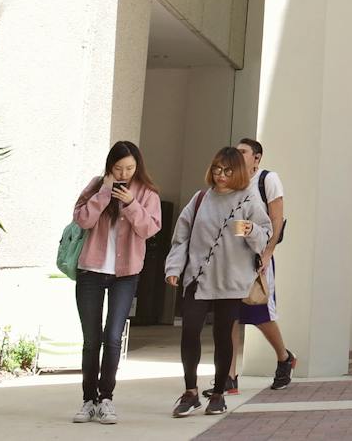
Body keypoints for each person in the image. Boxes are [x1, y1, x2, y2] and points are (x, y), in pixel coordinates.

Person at [164, 146, 269, 418]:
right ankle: (190, 392)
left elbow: (265, 235)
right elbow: (181, 236)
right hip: (197, 279)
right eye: (217, 169)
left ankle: (219, 393)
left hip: (230, 281)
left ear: (239, 172)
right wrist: (174, 267)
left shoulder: (248, 200)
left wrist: (251, 230)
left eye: (228, 171)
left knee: (223, 336)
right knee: (189, 332)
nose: (221, 175)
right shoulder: (201, 199)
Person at [69, 140, 162, 425]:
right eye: (119, 168)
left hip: (126, 274)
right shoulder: (96, 185)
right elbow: (82, 220)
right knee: (91, 340)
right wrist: (103, 194)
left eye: (130, 168)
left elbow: (150, 229)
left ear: (138, 166)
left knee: (112, 337)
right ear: (110, 166)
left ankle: (106, 398)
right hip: (90, 271)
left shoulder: (147, 193)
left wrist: (131, 204)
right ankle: (88, 401)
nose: (124, 173)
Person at [227, 138, 296, 392]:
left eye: (243, 151)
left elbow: (277, 220)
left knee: (261, 314)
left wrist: (267, 254)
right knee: (230, 316)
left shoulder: (267, 179)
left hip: (257, 256)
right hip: (232, 258)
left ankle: (284, 358)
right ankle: (229, 376)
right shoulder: (232, 181)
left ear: (257, 157)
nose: (238, 154)